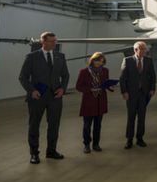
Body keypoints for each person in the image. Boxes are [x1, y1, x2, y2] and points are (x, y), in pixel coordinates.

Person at [18, 31, 70, 164]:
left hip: (55, 96)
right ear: (43, 42)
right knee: (34, 125)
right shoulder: (32, 57)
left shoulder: (60, 56)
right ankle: (34, 153)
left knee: (54, 125)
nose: (55, 43)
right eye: (52, 41)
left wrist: (62, 89)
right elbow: (23, 77)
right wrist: (32, 91)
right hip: (37, 96)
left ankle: (51, 151)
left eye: (55, 41)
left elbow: (65, 76)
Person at [119, 41, 156, 149]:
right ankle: (129, 139)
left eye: (145, 49)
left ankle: (140, 138)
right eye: (142, 49)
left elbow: (152, 76)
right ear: (136, 50)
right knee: (131, 117)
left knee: (142, 117)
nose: (145, 51)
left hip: (143, 93)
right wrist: (124, 92)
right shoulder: (128, 60)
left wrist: (152, 89)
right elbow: (122, 78)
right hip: (131, 94)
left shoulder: (148, 61)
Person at [76, 52, 113, 154]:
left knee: (98, 125)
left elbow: (105, 83)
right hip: (89, 101)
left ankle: (96, 144)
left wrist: (110, 86)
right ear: (92, 60)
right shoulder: (84, 72)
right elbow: (79, 87)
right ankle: (86, 144)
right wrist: (90, 89)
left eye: (101, 61)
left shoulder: (105, 71)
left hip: (100, 101)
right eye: (97, 60)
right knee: (87, 125)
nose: (99, 63)